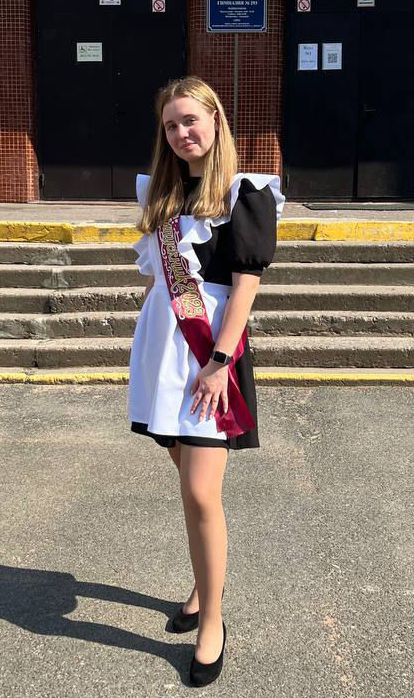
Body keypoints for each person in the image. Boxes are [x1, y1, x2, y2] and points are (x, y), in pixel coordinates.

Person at [127, 76, 284, 687]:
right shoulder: (161, 195)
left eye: (190, 120)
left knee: (199, 492)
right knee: (189, 482)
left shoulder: (246, 192)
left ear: (216, 120)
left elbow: (246, 286)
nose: (181, 133)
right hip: (163, 353)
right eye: (170, 125)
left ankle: (212, 621)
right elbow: (156, 280)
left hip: (210, 352)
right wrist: (148, 346)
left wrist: (219, 360)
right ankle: (203, 584)